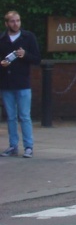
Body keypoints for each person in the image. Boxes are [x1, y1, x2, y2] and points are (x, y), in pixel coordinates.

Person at [0, 11, 41, 158]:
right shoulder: (2, 39)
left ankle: (28, 146)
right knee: (10, 116)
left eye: (17, 20)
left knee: (24, 116)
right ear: (7, 23)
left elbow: (37, 59)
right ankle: (13, 146)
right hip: (6, 83)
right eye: (12, 21)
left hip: (23, 82)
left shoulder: (28, 37)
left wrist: (25, 55)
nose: (15, 24)